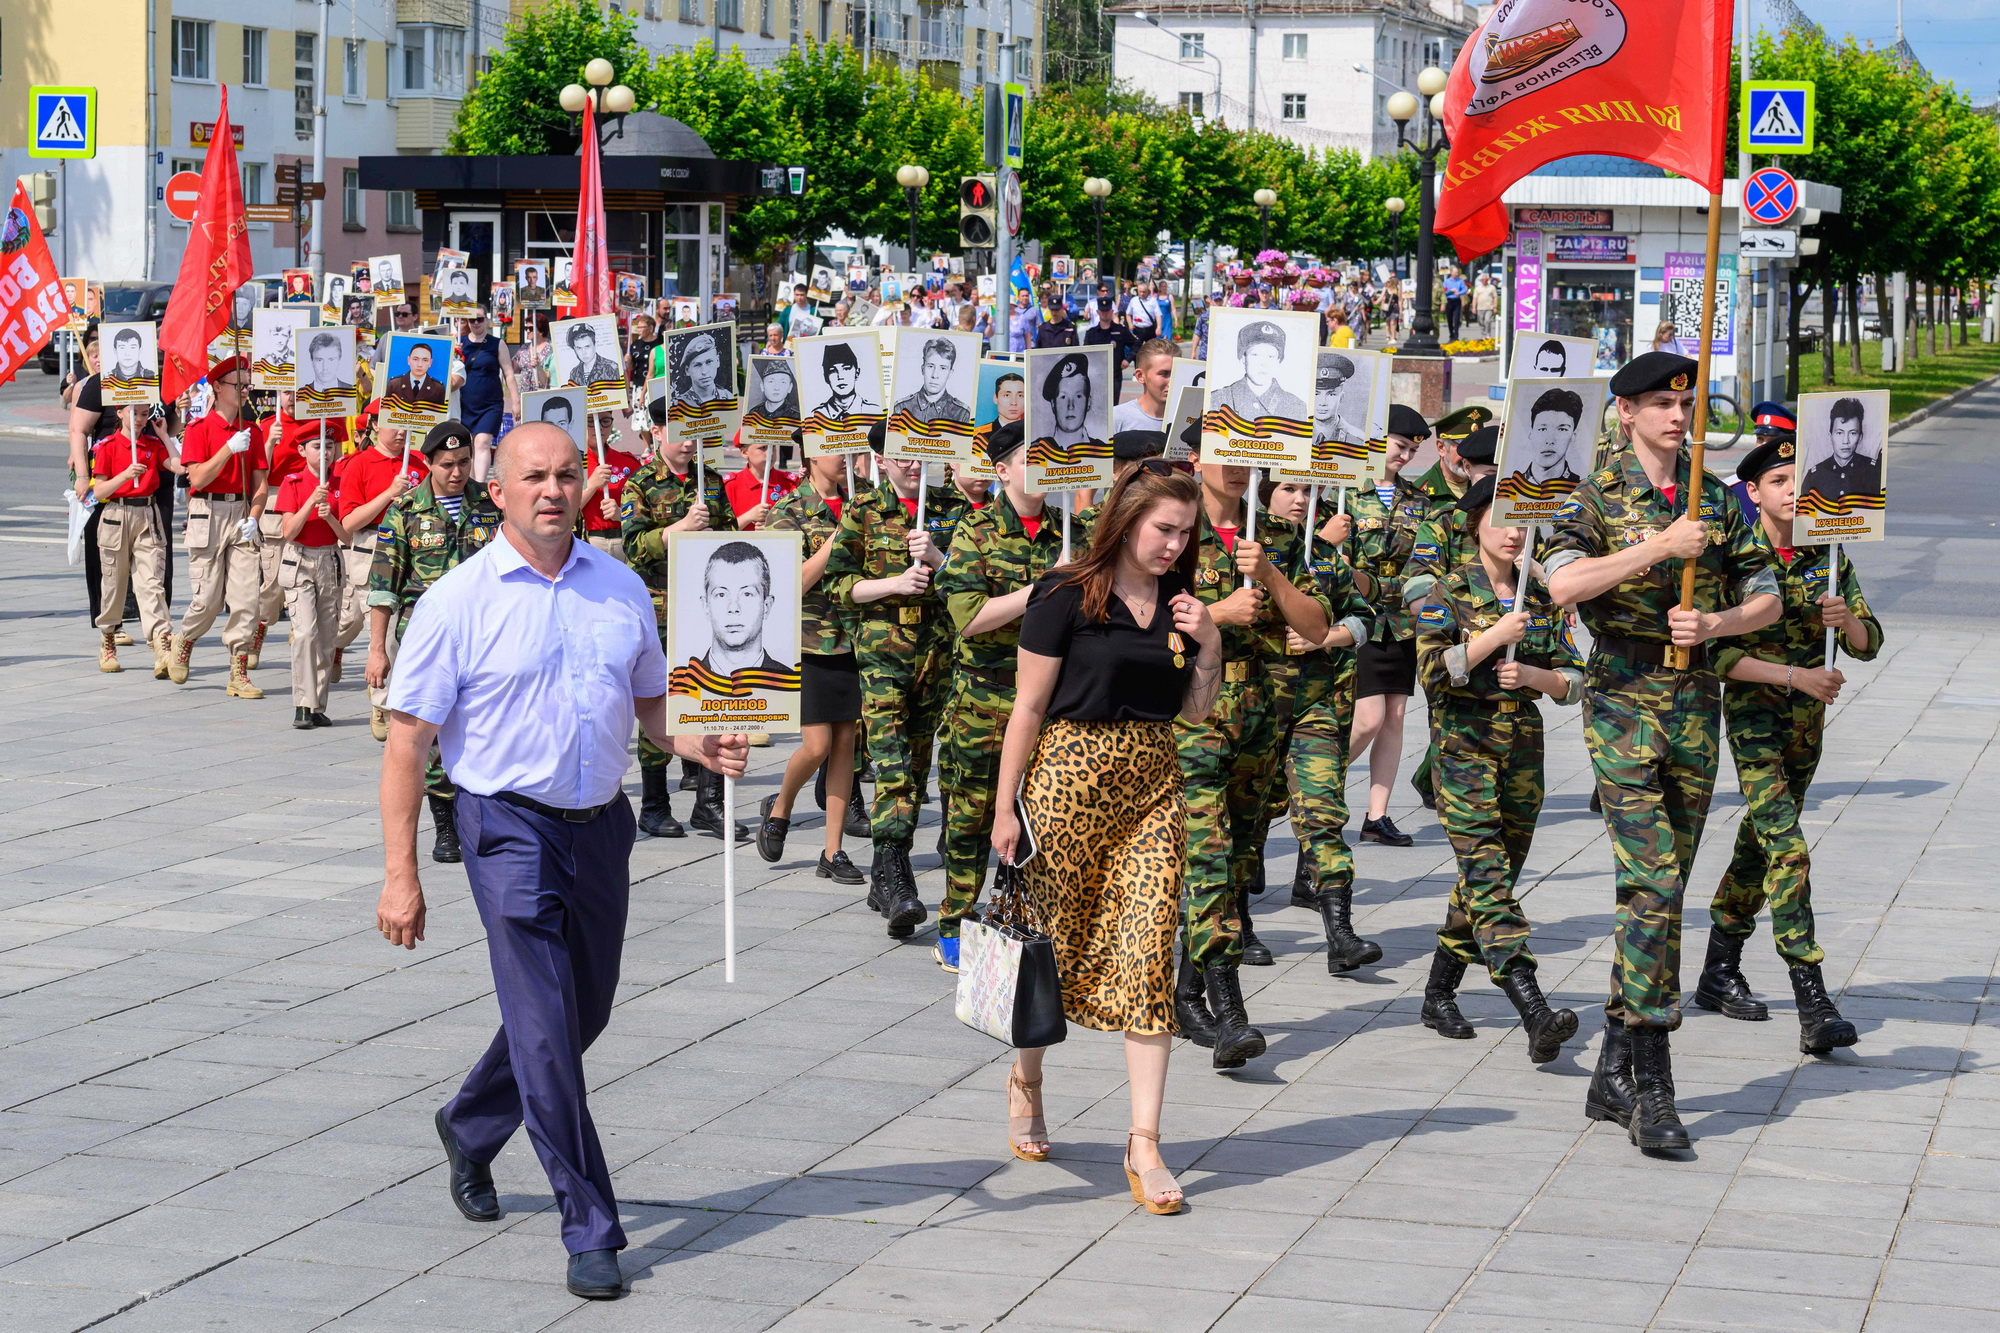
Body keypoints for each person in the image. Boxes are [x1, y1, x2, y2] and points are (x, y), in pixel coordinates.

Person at [374, 421, 748, 1301]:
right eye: (533, 475)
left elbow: (655, 709)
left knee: (581, 1012)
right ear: (495, 490)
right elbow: (406, 745)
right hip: (504, 825)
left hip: (600, 824)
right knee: (544, 1021)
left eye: (567, 474)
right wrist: (401, 872)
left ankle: (470, 1122)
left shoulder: (619, 588)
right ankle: (590, 1222)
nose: (552, 489)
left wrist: (705, 746)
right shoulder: (457, 601)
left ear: (587, 486)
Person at [1543, 349, 1782, 1152]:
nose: (1679, 417)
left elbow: (1767, 593)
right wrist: (1660, 548)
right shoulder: (1592, 493)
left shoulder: (1715, 498)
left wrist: (1717, 624)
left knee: (1664, 888)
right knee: (1649, 880)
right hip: (1620, 697)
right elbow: (1564, 585)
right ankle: (1652, 1082)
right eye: (1661, 404)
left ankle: (1611, 1069)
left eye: (1687, 404)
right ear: (1627, 413)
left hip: (1693, 701)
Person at [987, 465, 1223, 1215]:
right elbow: (1027, 708)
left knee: (1152, 950)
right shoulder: (1063, 594)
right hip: (1065, 781)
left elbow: (1195, 710)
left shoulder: (1182, 607)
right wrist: (1005, 809)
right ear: (1125, 521)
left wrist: (1210, 639)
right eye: (1164, 529)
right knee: (1046, 948)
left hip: (1152, 787)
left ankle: (1145, 1141)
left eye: (1186, 532)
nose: (1175, 544)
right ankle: (1028, 1076)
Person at [1695, 432, 1882, 1054]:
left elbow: (1869, 640)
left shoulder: (1828, 552)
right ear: (1753, 491)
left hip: (1807, 726)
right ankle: (1813, 998)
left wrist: (1846, 622)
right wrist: (1795, 674)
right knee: (1790, 850)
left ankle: (1718, 969)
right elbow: (1718, 653)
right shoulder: (1737, 559)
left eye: (1797, 482)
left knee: (1761, 845)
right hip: (1756, 720)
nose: (1791, 494)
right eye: (1777, 483)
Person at [1172, 434, 1330, 1067]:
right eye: (1223, 454)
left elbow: (1316, 627)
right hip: (1192, 713)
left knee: (1237, 858)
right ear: (1195, 461)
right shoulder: (1173, 530)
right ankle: (1229, 1005)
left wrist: (1268, 573)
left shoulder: (1278, 536)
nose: (1237, 467)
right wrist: (1220, 613)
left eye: (1246, 456)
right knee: (1207, 855)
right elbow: (1134, 620)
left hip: (1260, 718)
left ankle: (1186, 993)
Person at [1413, 475, 1583, 1061]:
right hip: (1463, 746)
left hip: (1522, 750)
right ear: (1473, 525)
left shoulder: (1539, 599)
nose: (1513, 533)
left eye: (1523, 522)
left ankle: (1438, 993)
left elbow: (1575, 679)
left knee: (1492, 876)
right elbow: (1432, 672)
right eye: (1501, 519)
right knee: (1486, 873)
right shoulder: (1446, 590)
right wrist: (1490, 640)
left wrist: (1535, 676)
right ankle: (1532, 1006)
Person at [823, 424, 968, 935]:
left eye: (919, 457)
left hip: (936, 651)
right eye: (901, 458)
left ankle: (886, 871)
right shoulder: (864, 511)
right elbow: (839, 584)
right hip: (883, 652)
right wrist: (893, 583)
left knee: (920, 759)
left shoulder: (953, 508)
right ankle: (899, 877)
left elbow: (974, 581)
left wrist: (937, 560)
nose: (913, 466)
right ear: (879, 460)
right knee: (893, 764)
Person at [931, 422, 1063, 972]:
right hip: (987, 701)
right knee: (972, 818)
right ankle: (957, 923)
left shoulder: (1070, 533)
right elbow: (969, 618)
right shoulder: (977, 530)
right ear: (1002, 469)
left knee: (1041, 817)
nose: (1038, 466)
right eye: (1025, 457)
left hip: (1052, 703)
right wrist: (1040, 590)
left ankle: (1026, 922)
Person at [1261, 468, 1380, 970]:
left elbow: (1365, 617)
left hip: (1313, 705)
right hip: (1250, 708)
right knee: (1245, 823)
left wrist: (1325, 638)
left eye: (1307, 490)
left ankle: (1341, 933)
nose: (1300, 499)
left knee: (1323, 811)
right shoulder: (1239, 550)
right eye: (1289, 488)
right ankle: (1239, 927)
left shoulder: (1324, 555)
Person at [366, 421, 499, 857]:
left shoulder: (491, 503)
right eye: (447, 465)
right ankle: (445, 825)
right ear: (429, 464)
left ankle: (482, 813)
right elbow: (384, 586)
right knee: (432, 731)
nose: (457, 472)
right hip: (427, 642)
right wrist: (376, 651)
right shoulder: (405, 510)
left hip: (487, 635)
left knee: (486, 725)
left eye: (463, 463)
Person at [621, 394, 739, 840]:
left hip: (704, 606)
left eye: (693, 432)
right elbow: (634, 547)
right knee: (662, 706)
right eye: (677, 432)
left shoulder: (709, 480)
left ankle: (709, 803)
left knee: (712, 697)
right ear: (656, 433)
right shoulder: (640, 484)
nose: (688, 443)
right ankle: (654, 804)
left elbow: (730, 537)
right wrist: (677, 531)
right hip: (661, 611)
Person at [758, 440, 867, 884]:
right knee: (818, 745)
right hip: (808, 644)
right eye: (832, 448)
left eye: (848, 448)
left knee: (846, 747)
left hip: (857, 643)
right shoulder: (789, 511)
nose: (844, 456)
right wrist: (838, 538)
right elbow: (790, 582)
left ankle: (833, 849)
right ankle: (780, 806)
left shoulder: (866, 504)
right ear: (809, 456)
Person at [1344, 406, 1441, 845]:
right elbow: (1334, 562)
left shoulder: (1419, 501)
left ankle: (1376, 815)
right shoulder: (1344, 493)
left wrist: (1376, 582)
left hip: (1400, 624)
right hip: (1356, 620)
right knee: (1367, 718)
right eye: (1400, 446)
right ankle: (1311, 787)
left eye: (1412, 450)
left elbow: (1423, 563)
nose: (1404, 456)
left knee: (1395, 717)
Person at [166, 357, 269, 699]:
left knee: (245, 599)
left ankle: (238, 671)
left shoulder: (252, 431)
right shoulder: (198, 428)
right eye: (237, 385)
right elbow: (196, 477)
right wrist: (228, 448)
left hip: (240, 512)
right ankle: (185, 638)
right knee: (208, 599)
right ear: (217, 387)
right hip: (207, 511)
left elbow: (260, 484)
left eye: (246, 385)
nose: (243, 391)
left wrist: (255, 516)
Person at [338, 416, 430, 735]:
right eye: (395, 423)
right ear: (375, 425)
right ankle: (382, 703)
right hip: (373, 546)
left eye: (407, 423)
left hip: (415, 550)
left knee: (405, 633)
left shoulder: (420, 462)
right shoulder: (358, 464)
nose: (403, 430)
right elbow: (349, 523)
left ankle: (400, 698)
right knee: (385, 630)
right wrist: (389, 493)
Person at [271, 430, 353, 729]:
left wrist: (329, 515)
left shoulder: (342, 484)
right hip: (300, 559)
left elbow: (346, 536)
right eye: (317, 447)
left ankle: (318, 704)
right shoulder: (292, 482)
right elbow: (288, 531)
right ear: (303, 451)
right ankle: (302, 704)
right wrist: (309, 504)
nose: (325, 453)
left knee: (326, 637)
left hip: (329, 559)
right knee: (305, 632)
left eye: (330, 446)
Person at [89, 406, 181, 674]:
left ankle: (161, 645)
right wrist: (125, 475)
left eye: (144, 414)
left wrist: (165, 436)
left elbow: (179, 466)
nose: (140, 420)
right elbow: (100, 490)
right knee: (114, 585)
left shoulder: (151, 443)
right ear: (119, 413)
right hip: (117, 514)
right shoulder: (107, 445)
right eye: (134, 413)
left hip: (148, 514)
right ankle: (108, 638)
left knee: (152, 582)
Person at [458, 310, 521, 482]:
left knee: (482, 442)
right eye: (472, 319)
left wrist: (516, 401)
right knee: (468, 447)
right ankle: (470, 487)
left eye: (479, 319)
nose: (476, 323)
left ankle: (480, 486)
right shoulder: (460, 343)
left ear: (486, 320)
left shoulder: (496, 344)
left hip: (490, 404)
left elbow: (508, 373)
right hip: (464, 403)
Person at [1212, 320, 1308, 422]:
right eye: (1255, 355)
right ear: (1243, 358)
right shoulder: (1218, 400)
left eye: (1270, 356)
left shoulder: (1296, 407)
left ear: (1278, 361)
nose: (1263, 363)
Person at [1027, 352, 1108, 470]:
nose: (1071, 406)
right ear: (1053, 404)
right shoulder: (1036, 451)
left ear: (1088, 403)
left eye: (1078, 396)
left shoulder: (1101, 451)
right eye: (1063, 397)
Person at [1799, 397, 1883, 508]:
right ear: (1830, 436)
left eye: (1852, 433)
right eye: (1839, 433)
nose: (1845, 441)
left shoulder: (1874, 472)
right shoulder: (1815, 476)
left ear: (1860, 437)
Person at [581, 425, 643, 562]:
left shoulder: (628, 462)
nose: (599, 427)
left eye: (606, 421)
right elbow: (567, 509)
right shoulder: (573, 462)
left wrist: (621, 514)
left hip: (624, 541)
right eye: (590, 421)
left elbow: (644, 510)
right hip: (587, 541)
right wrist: (591, 486)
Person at [722, 435, 799, 531]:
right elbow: (720, 531)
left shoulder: (790, 483)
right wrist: (749, 516)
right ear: (744, 452)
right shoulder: (731, 485)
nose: (770, 453)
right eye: (762, 448)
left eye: (773, 447)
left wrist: (775, 528)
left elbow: (803, 524)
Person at [892, 336, 971, 425]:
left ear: (950, 373)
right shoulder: (902, 408)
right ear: (923, 369)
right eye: (930, 366)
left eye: (943, 368)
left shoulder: (961, 413)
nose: (935, 375)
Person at [1112, 338, 1174, 434]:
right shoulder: (1116, 418)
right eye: (1164, 374)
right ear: (1140, 376)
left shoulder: (1190, 419)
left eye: (1176, 373)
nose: (1172, 381)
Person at [1082, 299, 1140, 401]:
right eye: (1102, 311)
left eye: (1107, 311)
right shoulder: (1091, 333)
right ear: (1098, 312)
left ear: (1112, 311)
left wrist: (1128, 359)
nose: (1105, 314)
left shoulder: (1120, 330)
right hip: (1096, 376)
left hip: (1115, 375)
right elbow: (1086, 353)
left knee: (1113, 406)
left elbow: (1136, 344)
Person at [810, 341, 881, 421]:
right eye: (833, 371)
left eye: (846, 368)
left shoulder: (875, 412)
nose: (840, 377)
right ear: (826, 378)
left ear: (857, 373)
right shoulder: (816, 416)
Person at [1312, 354, 1366, 447]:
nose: (1322, 403)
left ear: (1341, 398)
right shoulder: (1296, 434)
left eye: (1331, 394)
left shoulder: (1357, 440)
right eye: (1316, 394)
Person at [671, 329, 729, 412]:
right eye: (697, 365)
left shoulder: (729, 398)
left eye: (709, 362)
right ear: (687, 370)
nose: (704, 371)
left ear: (717, 361)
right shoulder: (678, 406)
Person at [385, 341, 449, 410]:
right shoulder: (394, 384)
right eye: (415, 359)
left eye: (425, 360)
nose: (419, 365)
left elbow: (439, 416)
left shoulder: (438, 388)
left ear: (430, 363)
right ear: (409, 360)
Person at [563, 323, 620, 392]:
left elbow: (618, 395)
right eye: (579, 348)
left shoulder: (611, 368)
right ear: (574, 349)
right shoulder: (574, 372)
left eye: (587, 346)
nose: (584, 352)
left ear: (595, 345)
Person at [1443, 269, 1468, 342]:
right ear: (1451, 273)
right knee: (1449, 319)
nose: (1456, 274)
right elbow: (1444, 291)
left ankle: (1456, 336)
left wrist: (1459, 292)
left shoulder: (1460, 281)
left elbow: (1464, 290)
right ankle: (1451, 335)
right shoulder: (1446, 282)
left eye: (1457, 273)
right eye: (1455, 273)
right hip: (1449, 301)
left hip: (1457, 301)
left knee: (1456, 319)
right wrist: (1450, 291)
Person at [1473, 274, 1500, 339]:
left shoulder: (1492, 288)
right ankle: (1483, 334)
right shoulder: (1478, 288)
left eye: (1486, 279)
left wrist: (1495, 307)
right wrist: (1474, 307)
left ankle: (1488, 334)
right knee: (1481, 322)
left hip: (1489, 308)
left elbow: (1495, 297)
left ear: (1488, 280)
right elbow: (1475, 298)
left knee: (1487, 321)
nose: (1484, 281)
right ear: (1481, 280)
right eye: (1483, 280)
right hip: (1480, 308)